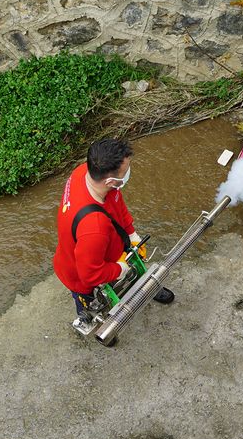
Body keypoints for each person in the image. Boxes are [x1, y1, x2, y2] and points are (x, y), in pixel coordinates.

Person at [53, 138, 174, 331]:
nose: (128, 174)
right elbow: (90, 275)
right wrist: (119, 269)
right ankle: (96, 324)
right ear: (110, 180)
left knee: (134, 266)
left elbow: (117, 203)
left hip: (109, 244)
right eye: (125, 172)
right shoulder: (94, 226)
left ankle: (144, 289)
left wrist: (131, 232)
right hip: (81, 272)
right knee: (91, 305)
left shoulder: (86, 173)